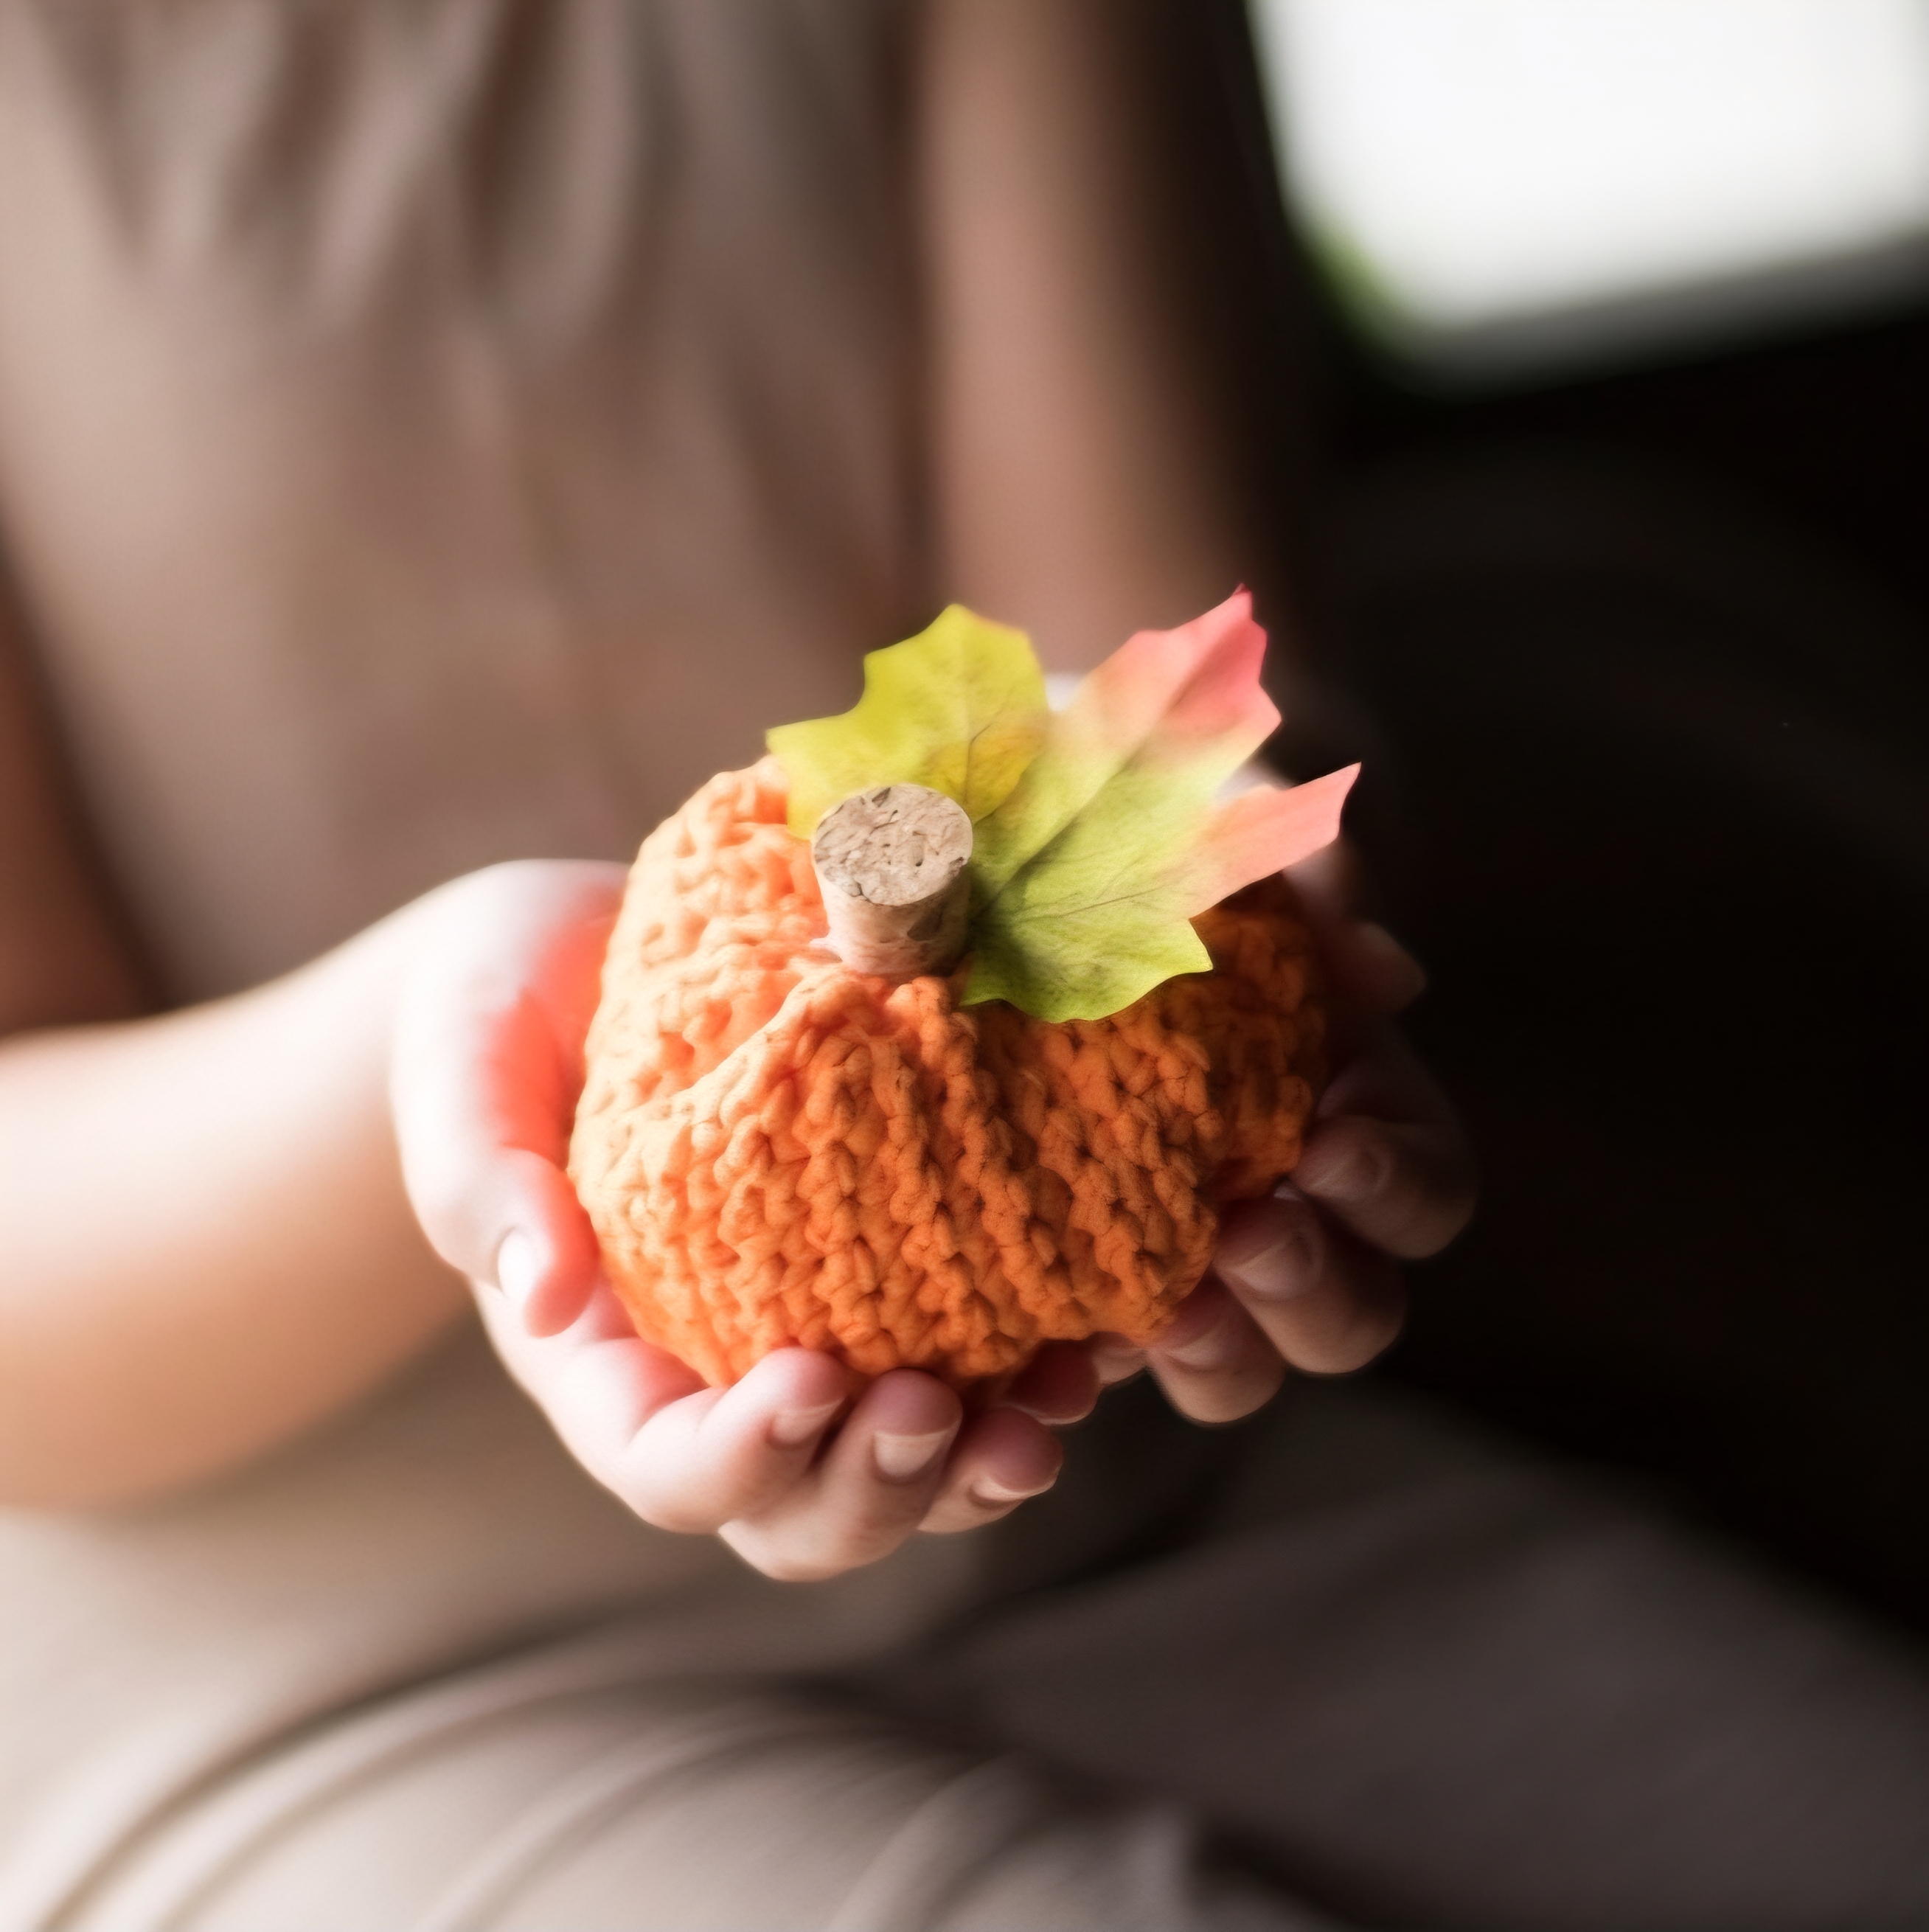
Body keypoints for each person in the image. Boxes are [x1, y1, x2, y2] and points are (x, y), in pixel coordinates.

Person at [1, 5, 1928, 1928]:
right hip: (302, 1634)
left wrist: (1225, 867)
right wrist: (442, 1041)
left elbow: (1162, 680)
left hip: (1098, 1460)